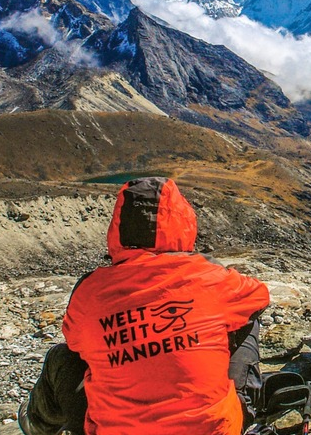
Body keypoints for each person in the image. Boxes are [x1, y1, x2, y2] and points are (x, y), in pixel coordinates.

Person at [19, 177, 270, 435]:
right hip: (214, 431)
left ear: (118, 228)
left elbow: (74, 341)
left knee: (64, 356)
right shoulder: (210, 278)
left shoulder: (90, 292)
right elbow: (259, 296)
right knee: (245, 317)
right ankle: (244, 409)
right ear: (183, 223)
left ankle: (36, 425)